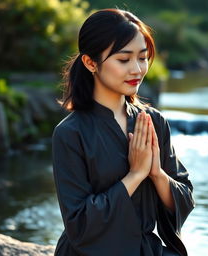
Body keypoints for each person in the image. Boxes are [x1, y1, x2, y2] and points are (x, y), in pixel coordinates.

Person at [52, 8, 195, 256]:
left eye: (142, 57)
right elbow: (79, 225)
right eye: (123, 59)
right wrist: (135, 175)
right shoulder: (70, 133)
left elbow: (184, 198)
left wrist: (156, 174)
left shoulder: (153, 121)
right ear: (90, 62)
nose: (137, 70)